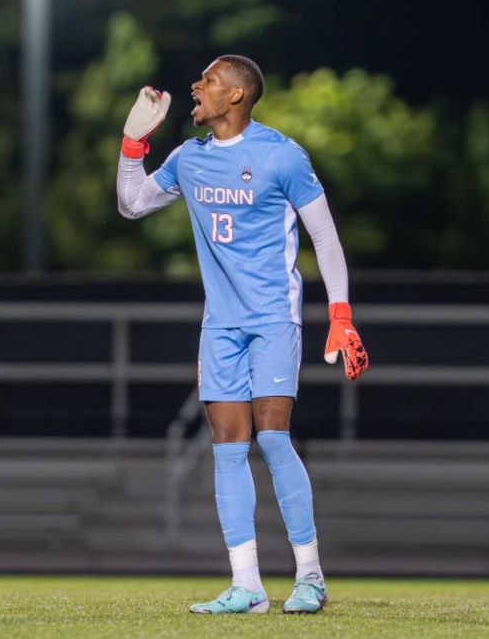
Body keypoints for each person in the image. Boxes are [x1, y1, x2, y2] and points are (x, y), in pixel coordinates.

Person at [116, 55, 368, 614]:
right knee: (227, 449)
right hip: (221, 324)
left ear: (235, 95)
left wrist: (341, 315)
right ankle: (248, 586)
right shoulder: (189, 158)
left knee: (273, 438)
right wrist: (132, 147)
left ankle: (310, 577)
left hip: (273, 317)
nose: (195, 86)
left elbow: (325, 238)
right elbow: (132, 205)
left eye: (207, 80)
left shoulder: (282, 155)